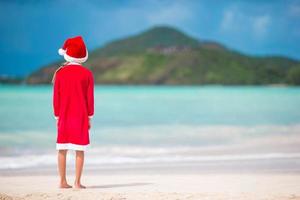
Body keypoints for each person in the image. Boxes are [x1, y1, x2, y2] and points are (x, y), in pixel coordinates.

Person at [52, 36, 94, 189]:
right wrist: (90, 116)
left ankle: (62, 181)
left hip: (64, 116)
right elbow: (90, 99)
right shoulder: (87, 74)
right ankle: (77, 182)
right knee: (79, 149)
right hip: (81, 117)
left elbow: (56, 98)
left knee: (62, 148)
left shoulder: (60, 73)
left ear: (67, 53)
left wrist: (57, 116)